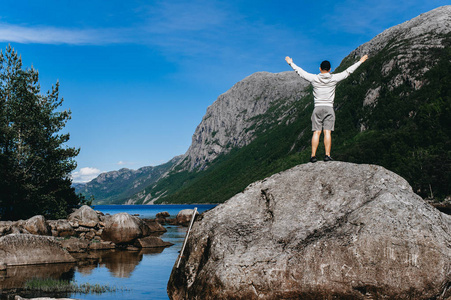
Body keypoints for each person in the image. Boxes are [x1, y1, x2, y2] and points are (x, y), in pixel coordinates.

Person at [285, 54, 368, 162]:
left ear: (320, 68)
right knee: (327, 132)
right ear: (330, 69)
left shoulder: (314, 78)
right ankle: (327, 155)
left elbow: (301, 72)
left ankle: (313, 156)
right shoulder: (334, 78)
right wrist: (360, 61)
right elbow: (348, 71)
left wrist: (290, 63)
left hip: (317, 108)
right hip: (329, 108)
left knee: (316, 132)